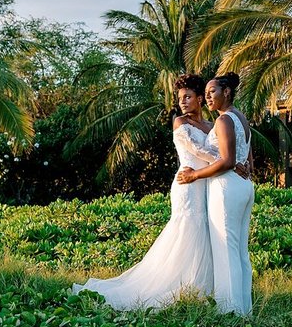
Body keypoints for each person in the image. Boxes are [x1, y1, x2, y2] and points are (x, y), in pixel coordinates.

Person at [72, 74, 247, 309]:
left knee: (206, 235)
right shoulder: (180, 123)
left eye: (188, 97)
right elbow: (198, 151)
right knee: (187, 232)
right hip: (188, 184)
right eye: (180, 98)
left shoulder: (211, 124)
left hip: (209, 185)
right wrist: (230, 160)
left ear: (200, 100)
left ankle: (201, 288)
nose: (183, 102)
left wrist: (231, 159)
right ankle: (171, 285)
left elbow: (225, 147)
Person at [176, 72, 255, 316]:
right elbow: (246, 157)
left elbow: (227, 161)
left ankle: (230, 310)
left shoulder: (222, 121)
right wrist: (246, 166)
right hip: (245, 186)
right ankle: (244, 309)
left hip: (226, 187)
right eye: (207, 93)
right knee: (240, 250)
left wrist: (194, 176)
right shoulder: (240, 117)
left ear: (227, 93)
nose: (209, 97)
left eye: (213, 92)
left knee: (226, 248)